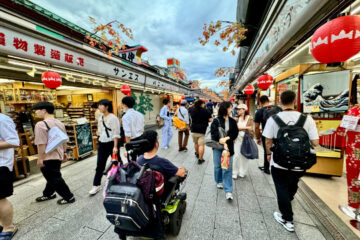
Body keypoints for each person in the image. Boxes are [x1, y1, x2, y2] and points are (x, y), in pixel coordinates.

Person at [262, 90, 319, 232]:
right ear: (295, 101)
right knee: (293, 183)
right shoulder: (307, 119)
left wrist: (269, 154)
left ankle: (287, 218)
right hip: (300, 162)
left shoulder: (273, 119)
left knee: (281, 187)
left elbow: (268, 140)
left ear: (280, 101)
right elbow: (315, 142)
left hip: (279, 161)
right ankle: (288, 201)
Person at [33, 102, 75, 205]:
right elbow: (64, 140)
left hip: (48, 156)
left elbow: (41, 144)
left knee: (54, 178)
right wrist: (64, 152)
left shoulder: (40, 124)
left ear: (44, 110)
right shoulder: (59, 123)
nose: (36, 113)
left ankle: (69, 196)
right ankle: (48, 194)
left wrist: (40, 158)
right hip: (58, 154)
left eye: (37, 110)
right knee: (52, 176)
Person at [89, 99, 120, 195]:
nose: (99, 107)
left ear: (107, 106)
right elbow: (101, 131)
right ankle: (96, 185)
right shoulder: (100, 117)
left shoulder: (113, 118)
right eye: (98, 105)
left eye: (101, 105)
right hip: (102, 143)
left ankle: (122, 179)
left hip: (112, 143)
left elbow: (116, 133)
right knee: (100, 165)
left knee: (117, 162)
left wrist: (115, 146)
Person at [210, 102, 239, 200]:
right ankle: (218, 180)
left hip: (229, 148)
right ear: (225, 109)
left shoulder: (233, 121)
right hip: (218, 147)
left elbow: (235, 133)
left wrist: (226, 139)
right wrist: (220, 140)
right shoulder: (216, 121)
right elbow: (213, 134)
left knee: (227, 168)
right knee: (218, 166)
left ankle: (228, 190)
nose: (232, 109)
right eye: (230, 108)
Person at [0, 113, 19, 239]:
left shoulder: (2, 119)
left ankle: (8, 226)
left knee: (1, 198)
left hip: (1, 164)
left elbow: (14, 141)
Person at [255, 95, 281, 174]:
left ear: (260, 102)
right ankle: (278, 166)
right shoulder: (277, 109)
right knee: (278, 149)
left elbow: (256, 127)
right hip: (278, 133)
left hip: (266, 134)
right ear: (268, 101)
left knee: (267, 150)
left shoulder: (259, 111)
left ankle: (266, 168)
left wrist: (258, 137)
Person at [232, 104, 254, 179]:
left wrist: (241, 128)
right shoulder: (236, 118)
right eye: (237, 109)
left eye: (239, 109)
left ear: (244, 110)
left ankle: (242, 171)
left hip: (246, 138)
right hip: (237, 138)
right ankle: (234, 172)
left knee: (244, 156)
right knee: (236, 155)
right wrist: (245, 127)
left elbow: (250, 128)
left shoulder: (250, 118)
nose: (238, 111)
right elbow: (235, 128)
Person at [189, 100, 212, 164]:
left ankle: (197, 153)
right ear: (201, 104)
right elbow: (210, 119)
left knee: (196, 143)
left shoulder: (192, 110)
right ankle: (200, 159)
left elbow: (190, 111)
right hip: (202, 130)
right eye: (203, 104)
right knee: (201, 145)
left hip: (193, 129)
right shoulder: (205, 110)